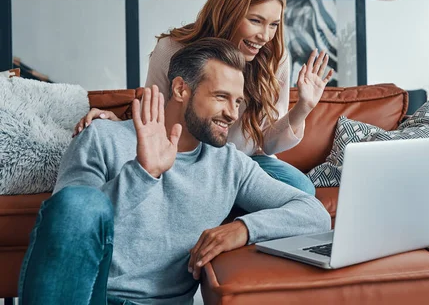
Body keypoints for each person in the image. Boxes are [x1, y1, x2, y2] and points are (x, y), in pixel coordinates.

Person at [19, 38, 331, 305]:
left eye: (238, 101)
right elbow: (67, 225)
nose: (232, 113)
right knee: (80, 202)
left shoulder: (229, 163)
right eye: (221, 97)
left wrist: (242, 229)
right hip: (88, 296)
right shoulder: (103, 138)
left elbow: (313, 212)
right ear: (181, 89)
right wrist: (142, 174)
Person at [74, 0, 332, 195]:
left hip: (247, 162)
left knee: (301, 190)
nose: (265, 36)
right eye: (256, 20)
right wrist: (116, 126)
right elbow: (158, 117)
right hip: (186, 158)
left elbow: (268, 144)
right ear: (229, 11)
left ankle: (235, 223)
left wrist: (303, 108)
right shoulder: (172, 49)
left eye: (274, 25)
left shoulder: (274, 58)